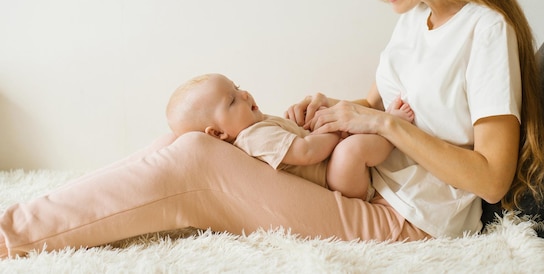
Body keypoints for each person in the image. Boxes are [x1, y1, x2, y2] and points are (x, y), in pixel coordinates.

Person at [0, 0, 544, 259]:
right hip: (361, 179)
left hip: (409, 221)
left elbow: (492, 178)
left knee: (195, 159)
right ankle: (20, 218)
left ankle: (12, 236)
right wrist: (334, 110)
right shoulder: (415, 20)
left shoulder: (486, 30)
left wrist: (383, 127)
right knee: (188, 137)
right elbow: (380, 104)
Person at [165, 73, 414, 200]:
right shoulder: (253, 138)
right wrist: (335, 131)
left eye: (237, 88)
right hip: (335, 182)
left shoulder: (257, 124)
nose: (244, 95)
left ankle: (382, 124)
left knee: (344, 139)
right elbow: (306, 151)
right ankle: (392, 129)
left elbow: (299, 138)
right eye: (231, 100)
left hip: (335, 169)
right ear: (218, 133)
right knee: (350, 150)